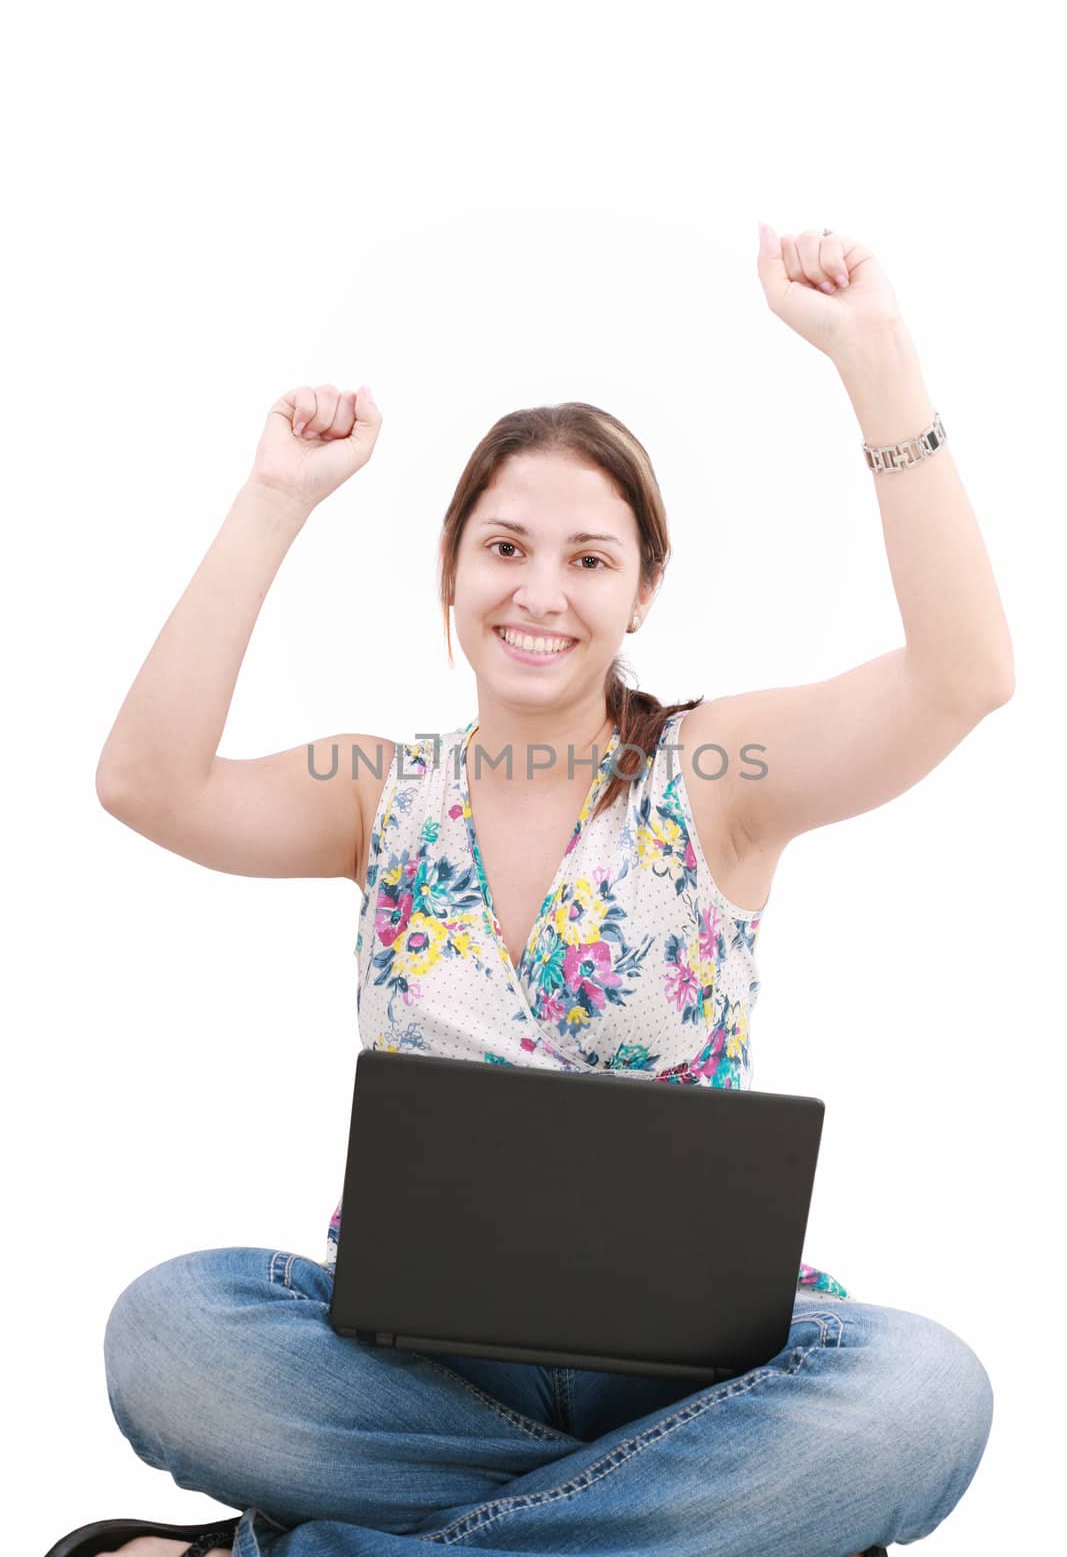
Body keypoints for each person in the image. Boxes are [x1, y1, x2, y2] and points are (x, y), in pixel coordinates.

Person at [66, 227, 1009, 1557]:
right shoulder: (374, 792)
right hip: (425, 1370)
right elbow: (145, 784)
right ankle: (686, 1522)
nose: (540, 594)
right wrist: (277, 495)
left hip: (697, 1377)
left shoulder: (719, 775)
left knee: (920, 1400)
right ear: (452, 566)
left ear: (641, 595)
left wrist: (877, 359)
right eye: (504, 548)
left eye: (589, 559)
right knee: (168, 1333)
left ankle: (318, 1548)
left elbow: (963, 676)